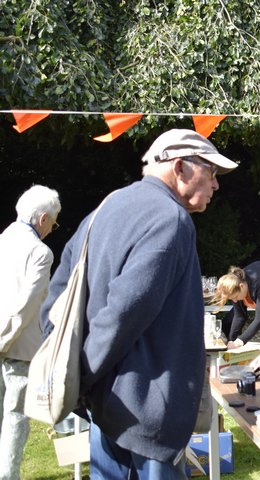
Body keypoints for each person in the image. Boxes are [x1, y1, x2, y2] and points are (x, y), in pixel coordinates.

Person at [39, 129, 237, 479]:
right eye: (211, 172)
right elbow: (125, 311)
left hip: (105, 407)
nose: (216, 184)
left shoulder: (106, 207)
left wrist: (75, 377)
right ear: (180, 167)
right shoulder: (171, 220)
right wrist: (81, 376)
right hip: (148, 414)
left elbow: (57, 295)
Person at [0, 185, 61, 480]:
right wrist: (3, 339)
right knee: (15, 417)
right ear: (43, 219)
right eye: (53, 223)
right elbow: (28, 304)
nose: (51, 230)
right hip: (18, 345)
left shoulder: (3, 239)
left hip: (8, 340)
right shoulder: (40, 252)